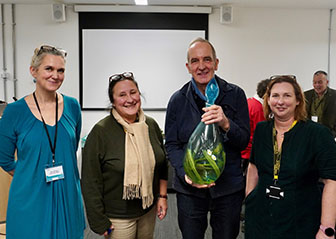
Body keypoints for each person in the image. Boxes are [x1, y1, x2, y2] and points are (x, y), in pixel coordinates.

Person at [165, 37, 250, 239]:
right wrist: (186, 173)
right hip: (189, 191)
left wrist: (226, 123)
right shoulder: (177, 100)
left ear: (216, 63)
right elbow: (172, 145)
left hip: (228, 188)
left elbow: (244, 141)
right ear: (188, 66)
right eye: (195, 61)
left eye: (207, 59)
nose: (201, 66)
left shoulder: (236, 94)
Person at [0, 45, 85, 238]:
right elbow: (4, 159)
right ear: (34, 71)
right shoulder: (14, 112)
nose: (55, 75)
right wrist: (30, 175)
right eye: (49, 69)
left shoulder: (72, 106)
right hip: (30, 197)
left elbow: (70, 148)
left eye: (60, 70)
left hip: (67, 194)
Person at [245, 75, 336, 238]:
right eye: (275, 96)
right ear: (268, 100)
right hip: (261, 217)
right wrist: (250, 199)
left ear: (298, 100)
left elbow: (333, 181)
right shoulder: (262, 130)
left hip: (300, 219)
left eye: (287, 95)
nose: (280, 101)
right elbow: (253, 166)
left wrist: (326, 228)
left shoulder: (317, 134)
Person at [81, 72, 168, 239]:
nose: (129, 99)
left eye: (133, 92)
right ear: (113, 102)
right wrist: (98, 220)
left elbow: (162, 163)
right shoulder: (101, 132)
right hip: (117, 217)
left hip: (147, 209)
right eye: (122, 95)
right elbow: (90, 181)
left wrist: (162, 196)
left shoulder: (150, 125)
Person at [241, 78, 271, 174]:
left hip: (243, 151)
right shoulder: (258, 109)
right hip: (249, 154)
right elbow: (262, 135)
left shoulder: (250, 102)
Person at [304, 70, 336, 138]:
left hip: (326, 135)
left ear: (327, 82)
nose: (317, 85)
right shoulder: (306, 95)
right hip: (308, 134)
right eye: (314, 82)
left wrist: (333, 133)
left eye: (320, 82)